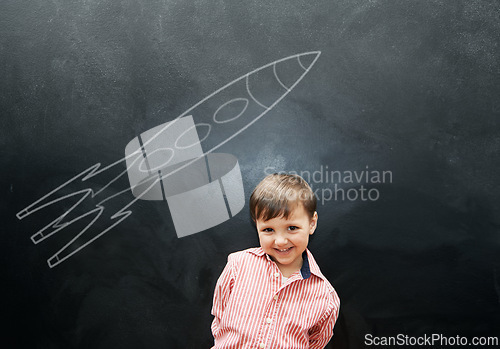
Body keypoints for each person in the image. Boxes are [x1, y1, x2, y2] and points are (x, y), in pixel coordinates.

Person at [211, 173, 340, 348]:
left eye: (292, 228)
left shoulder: (325, 297)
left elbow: (316, 342)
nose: (280, 241)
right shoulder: (238, 265)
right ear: (256, 225)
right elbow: (219, 316)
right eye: (268, 229)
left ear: (312, 223)